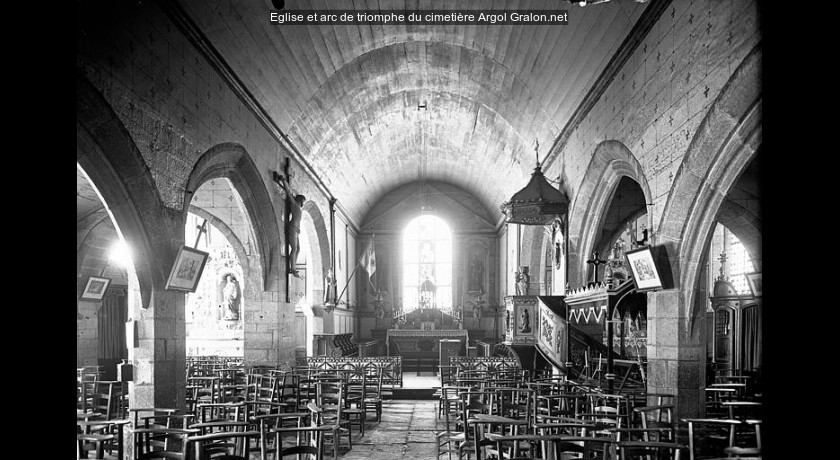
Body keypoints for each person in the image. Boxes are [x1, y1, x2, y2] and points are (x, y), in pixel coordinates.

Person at [277, 173, 306, 278]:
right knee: (294, 248)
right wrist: (284, 181)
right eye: (303, 201)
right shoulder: (294, 204)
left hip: (296, 229)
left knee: (298, 249)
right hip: (292, 228)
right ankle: (292, 268)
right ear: (299, 200)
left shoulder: (298, 207)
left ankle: (294, 266)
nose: (303, 203)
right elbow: (288, 193)